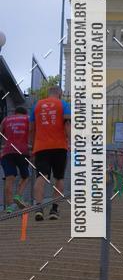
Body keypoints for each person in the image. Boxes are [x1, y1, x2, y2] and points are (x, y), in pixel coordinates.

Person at [29, 86, 71, 221]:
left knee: (41, 176)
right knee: (59, 178)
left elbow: (31, 129)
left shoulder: (36, 106)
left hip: (41, 147)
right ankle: (54, 210)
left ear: (48, 94)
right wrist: (70, 141)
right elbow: (67, 124)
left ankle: (39, 208)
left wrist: (31, 145)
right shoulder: (64, 104)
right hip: (60, 146)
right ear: (60, 94)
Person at [1, 107, 30, 211]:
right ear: (25, 113)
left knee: (9, 179)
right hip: (22, 151)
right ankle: (18, 196)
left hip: (7, 152)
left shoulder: (6, 119)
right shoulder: (28, 119)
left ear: (15, 112)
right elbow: (32, 133)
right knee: (25, 176)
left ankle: (9, 208)